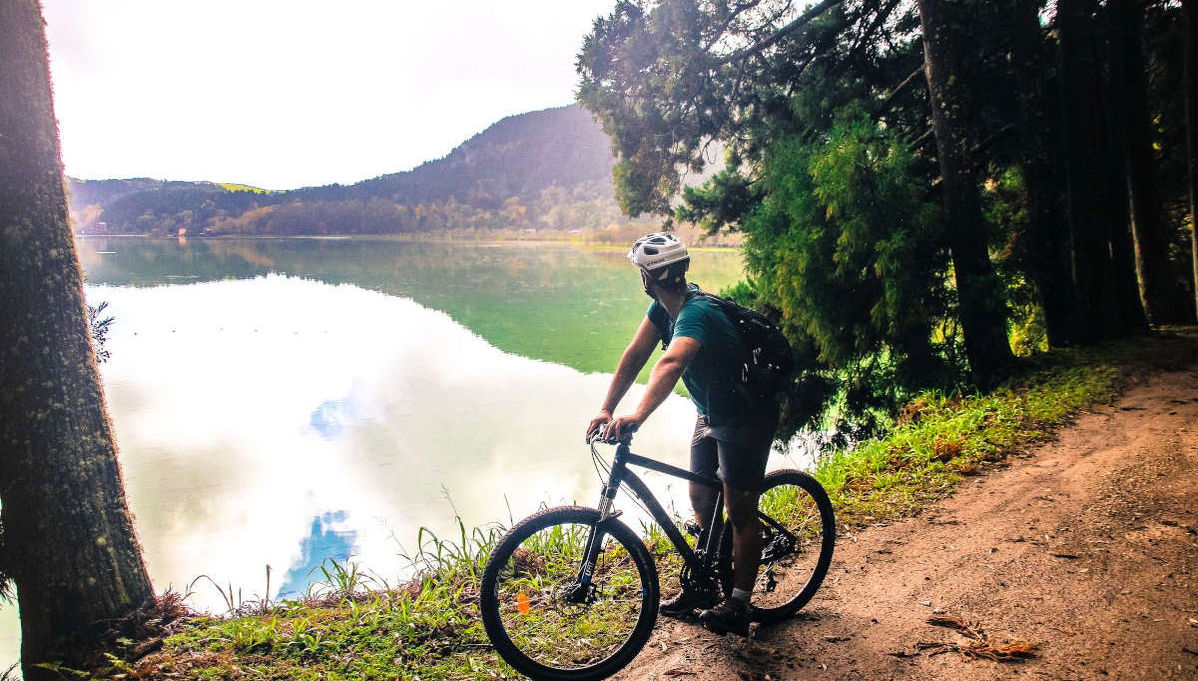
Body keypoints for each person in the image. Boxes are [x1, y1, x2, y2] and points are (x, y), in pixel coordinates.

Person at [585, 232, 779, 637]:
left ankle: (740, 603)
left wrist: (636, 415)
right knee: (701, 497)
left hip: (746, 417)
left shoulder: (695, 315)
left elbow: (670, 364)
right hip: (711, 411)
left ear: (648, 276)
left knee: (740, 511)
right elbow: (636, 356)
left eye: (641, 271)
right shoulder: (663, 309)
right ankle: (706, 585)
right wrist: (607, 407)